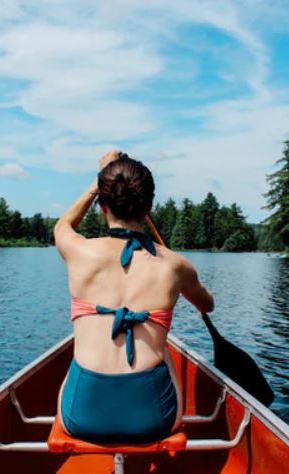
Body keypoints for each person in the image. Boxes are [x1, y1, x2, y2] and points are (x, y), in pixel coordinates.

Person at [53, 149, 214, 443]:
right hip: (154, 421)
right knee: (162, 346)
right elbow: (208, 304)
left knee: (84, 345)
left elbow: (63, 226)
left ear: (102, 204)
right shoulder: (176, 265)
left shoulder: (79, 252)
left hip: (81, 418)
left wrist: (98, 180)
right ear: (149, 205)